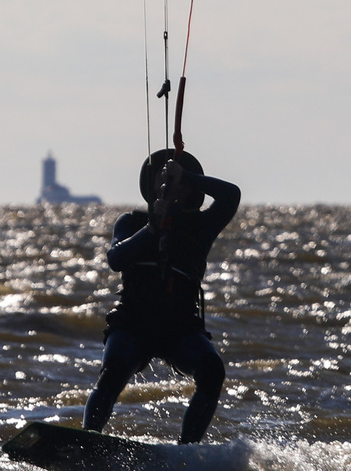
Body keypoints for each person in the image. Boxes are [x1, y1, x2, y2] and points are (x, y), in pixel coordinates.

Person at [85, 149, 241, 445]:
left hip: (179, 326)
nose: (171, 185)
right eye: (165, 178)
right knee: (113, 372)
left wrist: (188, 176)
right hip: (133, 321)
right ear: (153, 183)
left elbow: (231, 194)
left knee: (211, 371)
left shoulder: (203, 225)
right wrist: (153, 227)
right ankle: (87, 440)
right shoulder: (131, 222)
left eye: (179, 182)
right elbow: (116, 259)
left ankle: (187, 450)